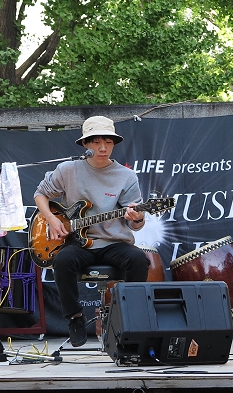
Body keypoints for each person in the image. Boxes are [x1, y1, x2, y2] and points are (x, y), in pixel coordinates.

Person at [33, 115, 149, 347]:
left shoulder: (126, 176)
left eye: (108, 141)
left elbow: (135, 222)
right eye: (96, 142)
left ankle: (129, 319)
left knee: (139, 260)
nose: (103, 147)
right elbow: (40, 194)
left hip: (113, 243)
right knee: (63, 260)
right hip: (77, 243)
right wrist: (52, 221)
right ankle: (75, 318)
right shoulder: (67, 170)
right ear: (85, 144)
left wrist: (138, 216)